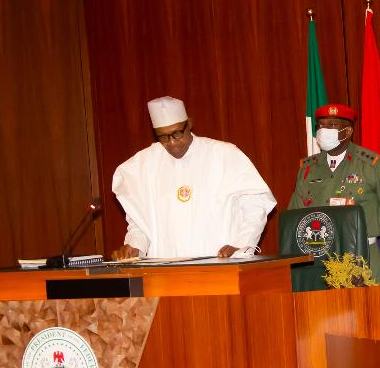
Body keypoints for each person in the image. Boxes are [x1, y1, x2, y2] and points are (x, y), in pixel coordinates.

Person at [111, 96, 276, 259]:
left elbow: (255, 205)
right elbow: (141, 220)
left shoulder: (223, 154)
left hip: (217, 265)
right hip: (164, 269)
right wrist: (135, 245)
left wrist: (241, 244)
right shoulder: (145, 164)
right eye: (163, 137)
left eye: (177, 133)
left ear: (189, 124)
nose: (172, 143)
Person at [288, 103, 380, 284]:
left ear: (348, 131)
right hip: (315, 262)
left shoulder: (374, 166)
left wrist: (357, 229)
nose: (324, 130)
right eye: (321, 125)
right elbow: (293, 219)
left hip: (359, 259)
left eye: (332, 125)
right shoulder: (307, 169)